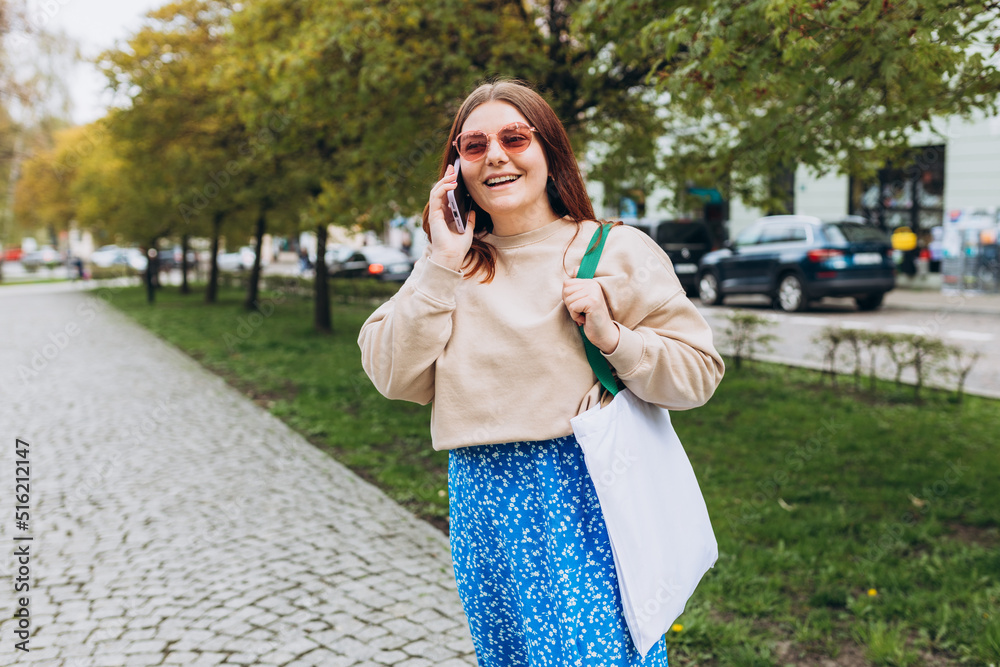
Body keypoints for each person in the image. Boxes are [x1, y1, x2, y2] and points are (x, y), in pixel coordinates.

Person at [358, 79, 724, 666]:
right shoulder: (448, 270)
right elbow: (392, 372)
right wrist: (443, 259)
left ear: (550, 151)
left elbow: (698, 375)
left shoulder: (615, 250)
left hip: (589, 492)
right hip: (485, 502)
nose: (496, 155)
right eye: (474, 146)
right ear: (455, 168)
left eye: (514, 138)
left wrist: (613, 337)